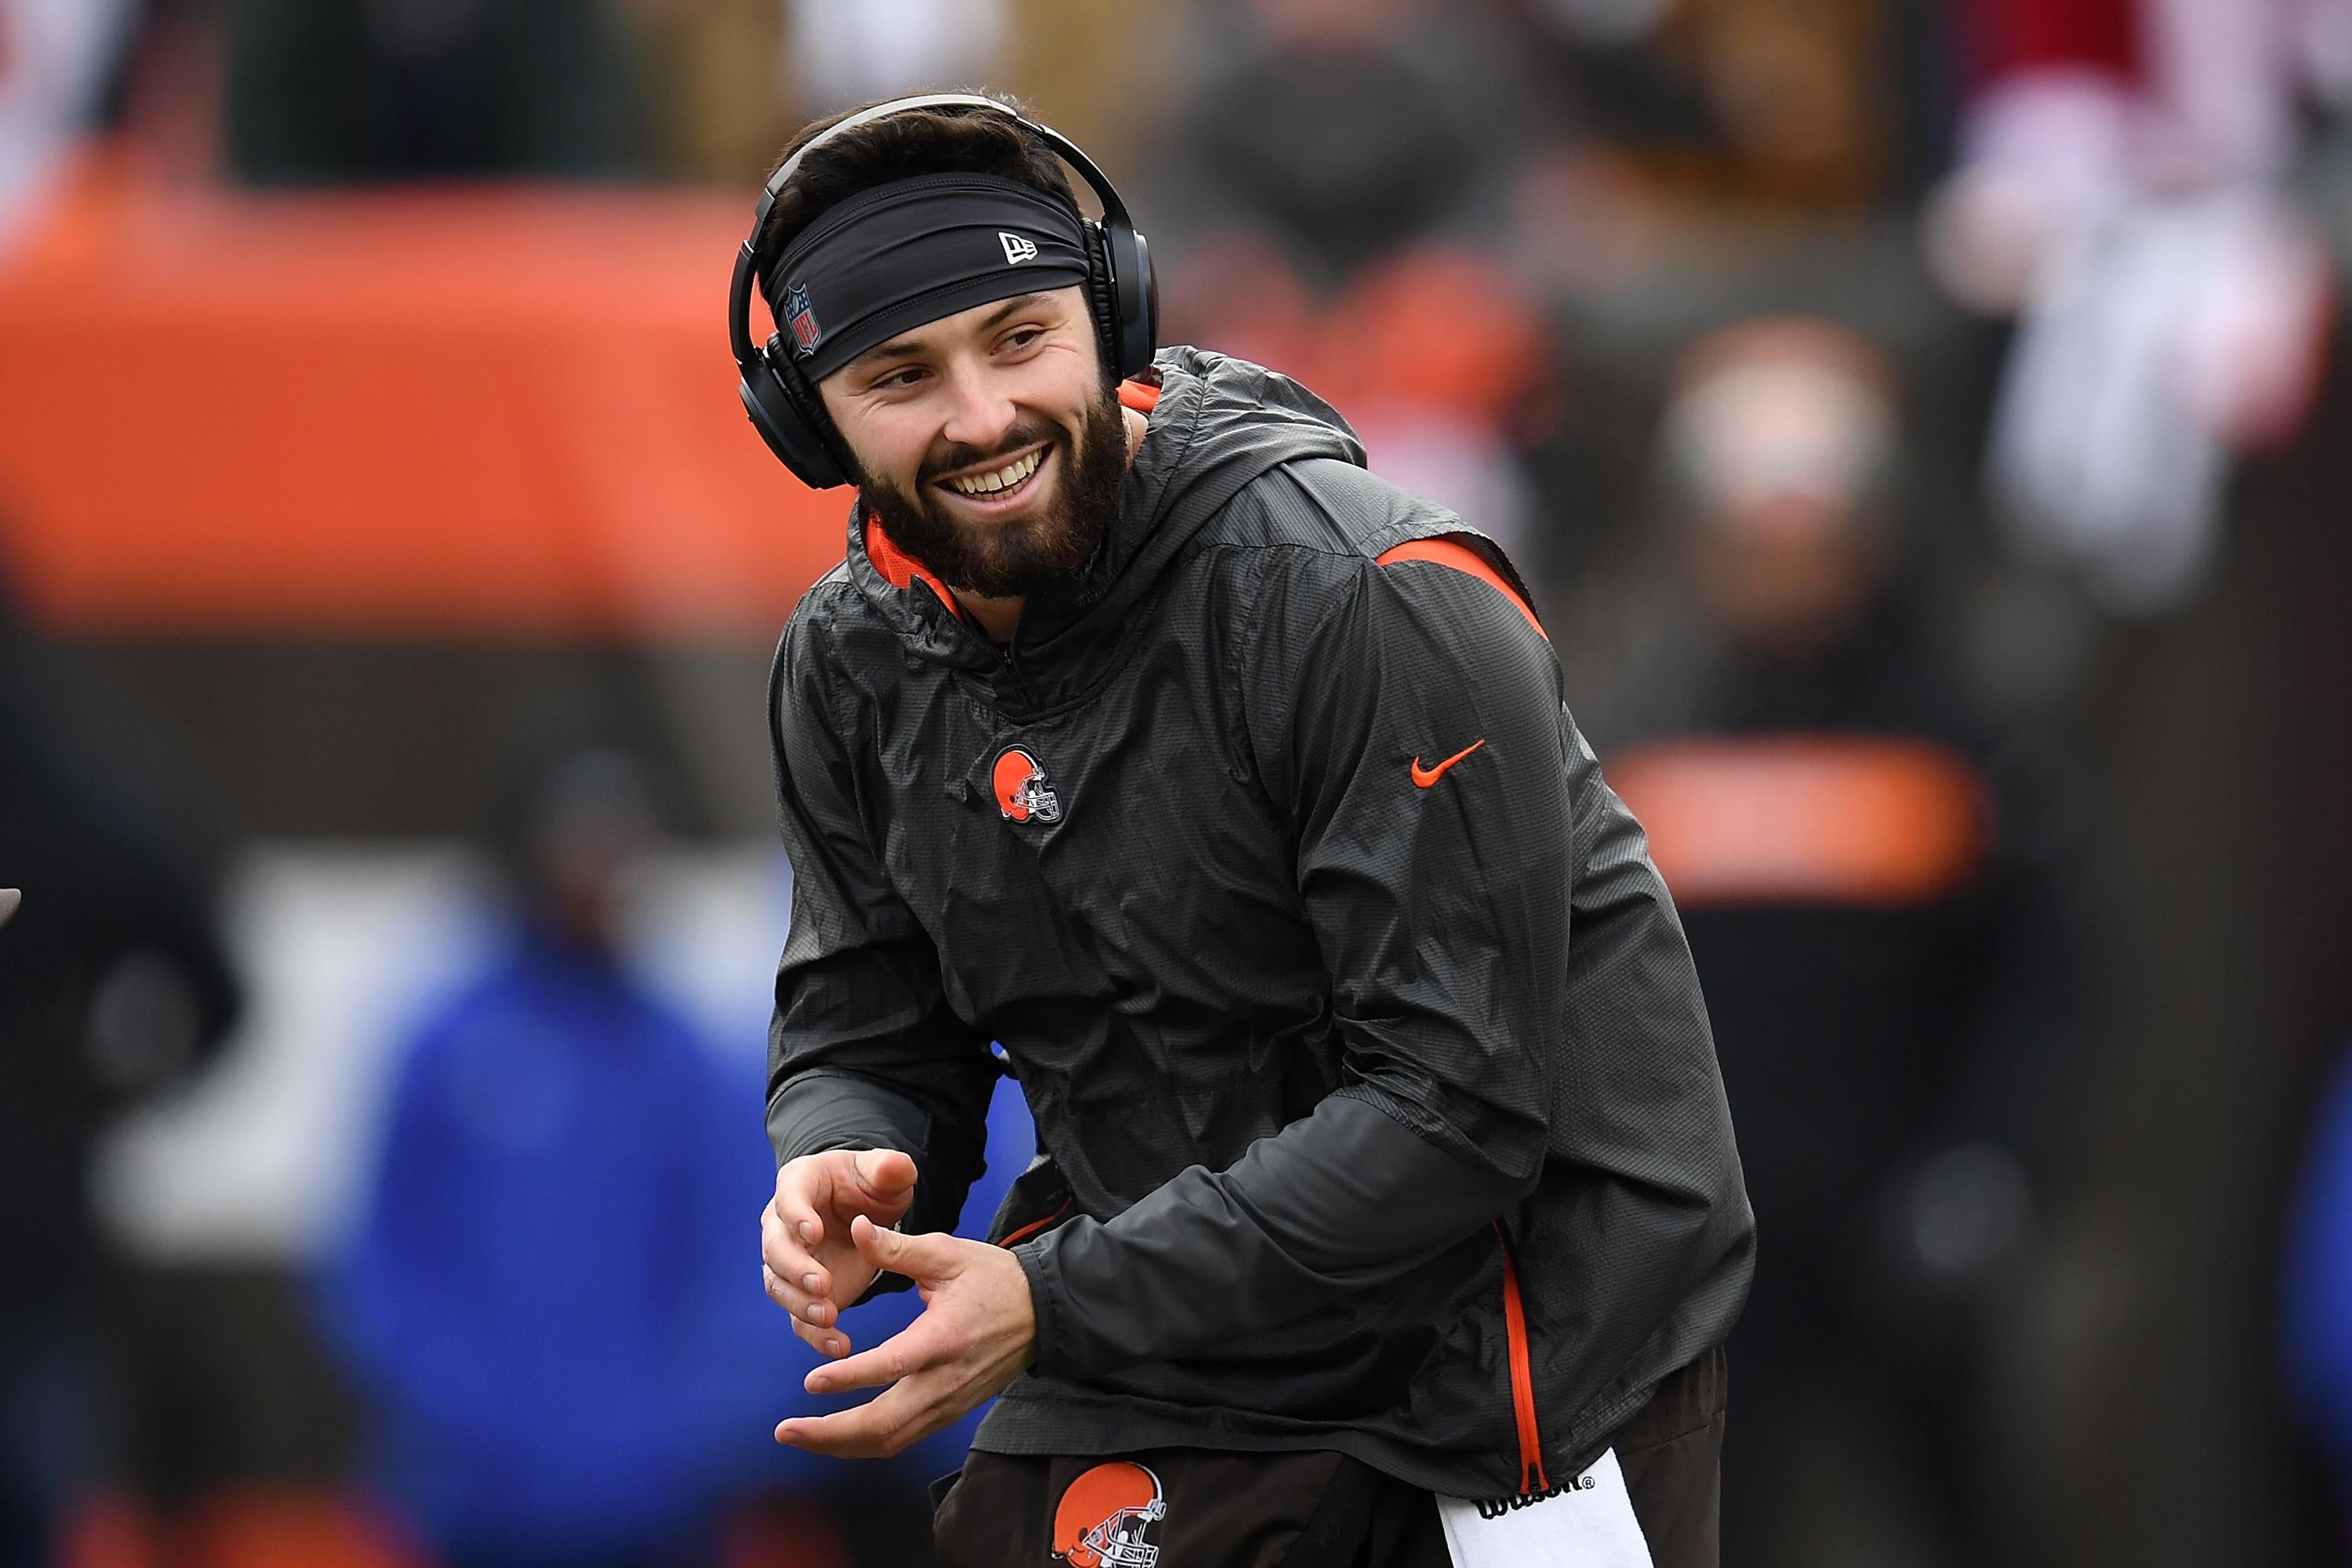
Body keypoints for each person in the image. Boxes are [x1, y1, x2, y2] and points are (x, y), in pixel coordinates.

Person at [738, 94, 1753, 1566]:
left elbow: (1453, 1116)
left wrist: (1056, 1298)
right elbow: (866, 1008)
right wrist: (847, 1145)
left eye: (1020, 339)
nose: (979, 415)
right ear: (807, 424)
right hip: (1151, 1322)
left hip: (1498, 1368)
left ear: (1111, 319)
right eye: (901, 374)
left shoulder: (1365, 596)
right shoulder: (847, 660)